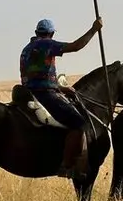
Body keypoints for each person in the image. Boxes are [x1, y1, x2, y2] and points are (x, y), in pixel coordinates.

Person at [19, 16, 103, 179]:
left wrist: (61, 87)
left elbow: (36, 75)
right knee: (79, 123)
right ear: (51, 33)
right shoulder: (47, 44)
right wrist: (94, 29)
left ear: (36, 32)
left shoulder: (27, 49)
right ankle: (66, 165)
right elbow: (76, 46)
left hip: (29, 92)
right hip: (44, 95)